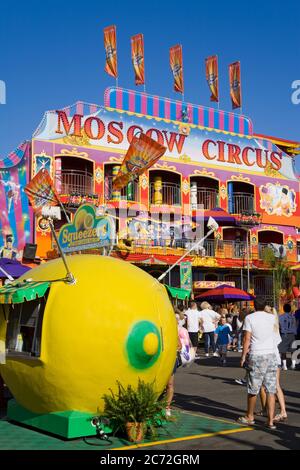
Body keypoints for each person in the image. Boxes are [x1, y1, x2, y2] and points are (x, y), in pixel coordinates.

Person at [238, 297, 278, 430]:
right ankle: (270, 420)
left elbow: (247, 339)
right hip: (271, 354)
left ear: (254, 305)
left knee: (253, 388)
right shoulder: (271, 318)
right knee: (271, 389)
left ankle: (250, 416)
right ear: (265, 305)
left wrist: (243, 356)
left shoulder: (250, 318)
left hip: (257, 354)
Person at [258, 306, 288, 423]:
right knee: (273, 385)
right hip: (275, 357)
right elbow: (277, 342)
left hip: (270, 358)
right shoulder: (274, 326)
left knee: (273, 386)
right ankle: (275, 410)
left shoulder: (268, 327)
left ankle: (282, 411)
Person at [279, 303, 297, 370]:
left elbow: (279, 326)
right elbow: (295, 325)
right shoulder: (293, 317)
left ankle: (284, 366)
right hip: (292, 335)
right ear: (290, 309)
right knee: (293, 350)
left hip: (284, 335)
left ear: (283, 309)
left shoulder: (280, 317)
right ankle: (293, 364)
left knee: (283, 351)